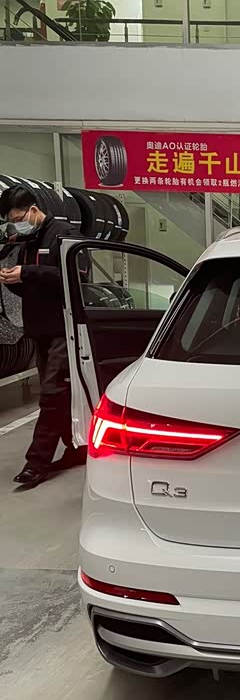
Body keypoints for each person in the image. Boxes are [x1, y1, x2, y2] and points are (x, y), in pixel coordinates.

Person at [0, 186, 85, 487]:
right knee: (59, 395)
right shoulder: (28, 240)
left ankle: (36, 463)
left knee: (51, 394)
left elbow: (76, 277)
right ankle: (78, 448)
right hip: (39, 330)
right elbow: (33, 288)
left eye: (18, 219)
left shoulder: (64, 235)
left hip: (64, 329)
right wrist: (13, 279)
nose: (17, 225)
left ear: (34, 210)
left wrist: (27, 272)